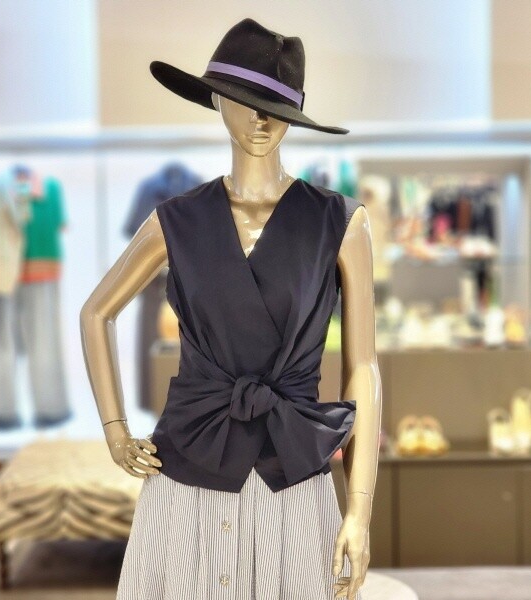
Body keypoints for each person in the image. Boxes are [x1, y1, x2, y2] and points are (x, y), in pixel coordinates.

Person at [80, 18, 381, 600]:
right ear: (217, 100)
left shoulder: (341, 223)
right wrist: (116, 432)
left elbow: (363, 367)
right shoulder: (176, 220)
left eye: (275, 108)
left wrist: (360, 510)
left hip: (291, 480)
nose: (262, 121)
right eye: (247, 102)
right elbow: (96, 313)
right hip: (186, 471)